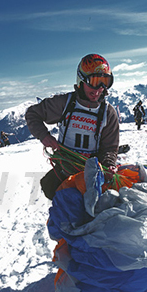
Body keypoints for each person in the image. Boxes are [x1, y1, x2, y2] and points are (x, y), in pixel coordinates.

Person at [25, 54, 120, 200]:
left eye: (104, 82)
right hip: (65, 170)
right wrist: (44, 135)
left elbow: (109, 148)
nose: (99, 89)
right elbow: (32, 114)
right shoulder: (64, 103)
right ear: (81, 80)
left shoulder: (108, 113)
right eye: (94, 81)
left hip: (92, 175)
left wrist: (108, 165)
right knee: (55, 192)